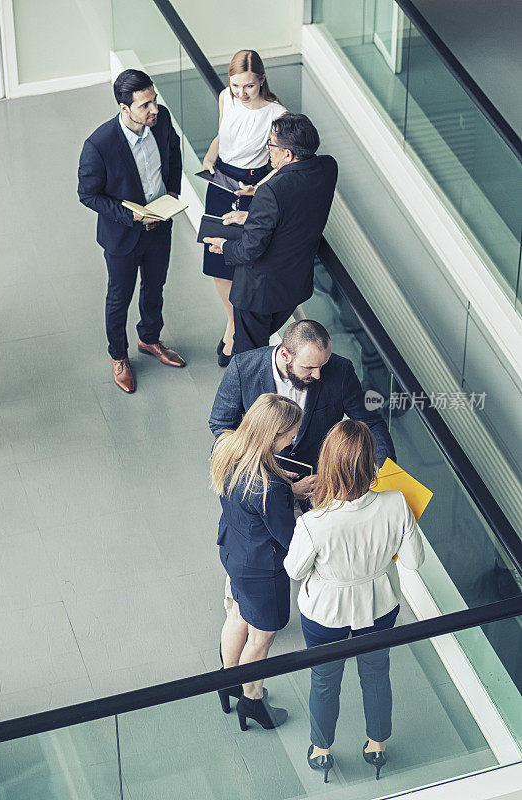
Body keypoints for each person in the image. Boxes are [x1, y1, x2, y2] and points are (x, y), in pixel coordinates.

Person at [284, 420, 424, 783]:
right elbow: (413, 561)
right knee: (377, 675)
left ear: (328, 463)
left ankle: (322, 751)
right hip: (379, 605)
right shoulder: (395, 502)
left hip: (325, 613)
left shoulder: (314, 521)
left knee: (324, 681)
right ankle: (377, 746)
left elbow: (295, 571)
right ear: (371, 464)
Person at [78, 69, 186, 393]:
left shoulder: (161, 120)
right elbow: (88, 194)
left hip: (160, 227)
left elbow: (174, 152)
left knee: (155, 287)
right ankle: (118, 356)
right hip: (123, 235)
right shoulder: (98, 145)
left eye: (154, 100)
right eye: (145, 105)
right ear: (124, 108)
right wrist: (132, 217)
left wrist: (174, 193)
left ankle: (149, 339)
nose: (154, 109)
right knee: (119, 297)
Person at [209, 319, 395, 502]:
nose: (318, 374)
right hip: (265, 478)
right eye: (309, 367)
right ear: (285, 355)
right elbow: (222, 424)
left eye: (323, 365)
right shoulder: (243, 368)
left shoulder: (341, 371)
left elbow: (370, 422)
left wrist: (386, 472)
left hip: (320, 481)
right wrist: (261, 469)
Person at [203, 113, 338, 354]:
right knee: (258, 341)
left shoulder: (271, 190)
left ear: (288, 155)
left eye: (271, 145)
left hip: (258, 292)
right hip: (293, 284)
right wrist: (253, 217)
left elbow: (248, 249)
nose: (268, 150)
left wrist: (223, 246)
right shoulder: (327, 168)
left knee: (247, 356)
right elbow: (296, 213)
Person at [210, 393, 302, 731]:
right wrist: (296, 497)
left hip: (234, 551)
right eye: (291, 434)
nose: (294, 439)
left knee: (237, 614)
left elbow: (250, 502)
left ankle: (228, 680)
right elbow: (288, 538)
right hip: (263, 570)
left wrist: (288, 488)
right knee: (262, 638)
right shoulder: (270, 486)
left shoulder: (227, 449)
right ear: (274, 435)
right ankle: (252, 698)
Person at [201, 49, 287, 367]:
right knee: (215, 258)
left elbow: (285, 164)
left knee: (240, 260)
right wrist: (210, 158)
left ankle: (234, 329)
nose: (241, 93)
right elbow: (222, 136)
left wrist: (259, 188)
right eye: (236, 86)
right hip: (221, 180)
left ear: (261, 80)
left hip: (250, 186)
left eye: (248, 86)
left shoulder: (277, 114)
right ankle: (233, 323)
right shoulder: (227, 97)